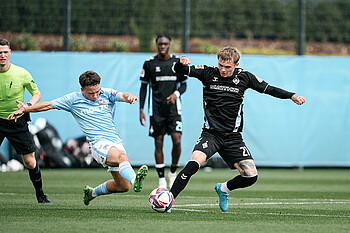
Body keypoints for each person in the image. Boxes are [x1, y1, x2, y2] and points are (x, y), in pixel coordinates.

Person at [169, 47, 306, 212]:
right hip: (211, 134)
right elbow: (180, 70)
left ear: (236, 64)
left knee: (251, 177)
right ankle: (168, 200)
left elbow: (269, 89)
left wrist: (292, 95)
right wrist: (181, 61)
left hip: (233, 138)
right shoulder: (207, 73)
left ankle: (223, 189)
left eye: (228, 67)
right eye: (221, 65)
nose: (223, 70)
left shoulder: (245, 77)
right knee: (193, 164)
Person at [8, 70, 149, 206]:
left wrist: (129, 97)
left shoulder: (107, 93)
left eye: (97, 92)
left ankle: (92, 193)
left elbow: (123, 96)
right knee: (122, 157)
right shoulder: (73, 100)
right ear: (82, 90)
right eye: (91, 93)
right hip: (98, 145)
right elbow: (48, 105)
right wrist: (25, 108)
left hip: (115, 142)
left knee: (122, 186)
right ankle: (135, 179)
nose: (95, 96)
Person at [0, 38, 51, 203]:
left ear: (10, 53)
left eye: (5, 52)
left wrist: (26, 106)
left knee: (30, 161)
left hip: (17, 121)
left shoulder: (21, 73)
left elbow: (37, 94)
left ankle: (41, 195)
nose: (2, 55)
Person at [139, 34, 187, 189]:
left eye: (165, 44)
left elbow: (184, 85)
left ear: (169, 45)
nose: (163, 46)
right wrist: (141, 109)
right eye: (160, 44)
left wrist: (176, 94)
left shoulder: (177, 62)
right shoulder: (149, 64)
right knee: (158, 142)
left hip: (174, 111)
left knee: (177, 141)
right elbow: (144, 87)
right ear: (157, 45)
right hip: (156, 111)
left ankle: (172, 172)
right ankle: (161, 179)